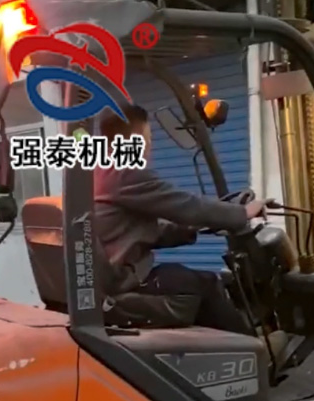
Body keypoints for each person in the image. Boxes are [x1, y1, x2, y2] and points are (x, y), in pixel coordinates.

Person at [94, 104, 265, 335]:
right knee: (205, 283)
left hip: (112, 275)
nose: (150, 146)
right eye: (149, 138)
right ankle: (252, 347)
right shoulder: (124, 171)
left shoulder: (98, 171)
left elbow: (142, 229)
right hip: (122, 281)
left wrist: (190, 229)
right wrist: (242, 213)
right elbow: (186, 205)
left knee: (181, 277)